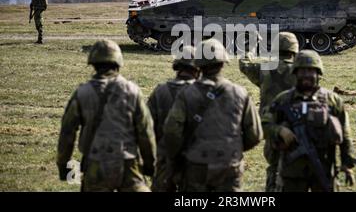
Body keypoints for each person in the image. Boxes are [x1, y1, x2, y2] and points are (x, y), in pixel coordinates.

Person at [56, 40, 156, 192]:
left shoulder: (82, 93)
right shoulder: (132, 91)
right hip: (128, 165)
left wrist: (64, 165)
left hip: (95, 164)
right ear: (118, 62)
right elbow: (145, 132)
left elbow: (67, 133)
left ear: (93, 64)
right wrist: (149, 165)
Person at [164, 39, 263, 192]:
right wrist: (232, 147)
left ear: (198, 65)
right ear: (223, 62)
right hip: (229, 164)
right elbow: (255, 134)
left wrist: (180, 155)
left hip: (196, 163)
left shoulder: (186, 94)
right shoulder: (240, 93)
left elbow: (172, 132)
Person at [262, 50, 355, 192]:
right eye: (302, 71)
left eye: (310, 71)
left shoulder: (333, 100)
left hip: (323, 168)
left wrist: (347, 164)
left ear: (318, 74)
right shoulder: (283, 100)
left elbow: (345, 134)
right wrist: (279, 130)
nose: (306, 75)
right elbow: (264, 124)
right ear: (295, 73)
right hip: (291, 172)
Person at [239, 31, 299, 192]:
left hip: (270, 128)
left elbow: (244, 64)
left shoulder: (265, 70)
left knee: (273, 167)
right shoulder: (303, 72)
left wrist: (252, 45)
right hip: (298, 128)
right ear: (295, 49)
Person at [147, 46, 199, 192]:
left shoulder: (160, 91)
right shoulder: (203, 94)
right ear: (198, 69)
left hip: (164, 160)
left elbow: (147, 127)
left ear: (177, 67)